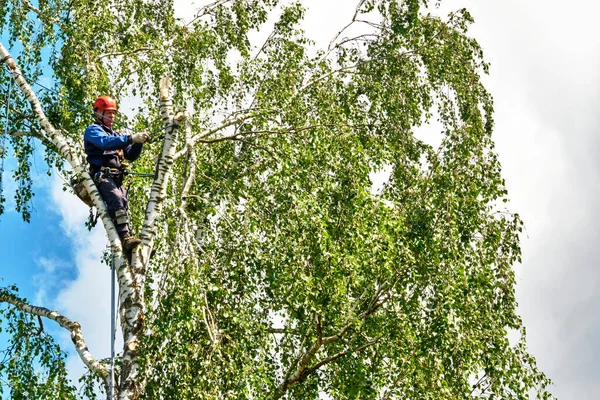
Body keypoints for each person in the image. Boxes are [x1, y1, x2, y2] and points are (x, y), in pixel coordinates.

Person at [84, 95, 149, 250]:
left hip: (117, 179)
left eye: (113, 113)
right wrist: (130, 138)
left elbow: (130, 155)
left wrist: (138, 143)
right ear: (98, 112)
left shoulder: (115, 135)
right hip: (102, 176)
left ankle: (131, 245)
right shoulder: (93, 130)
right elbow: (105, 144)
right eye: (108, 113)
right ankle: (125, 239)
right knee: (116, 199)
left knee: (123, 205)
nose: (112, 116)